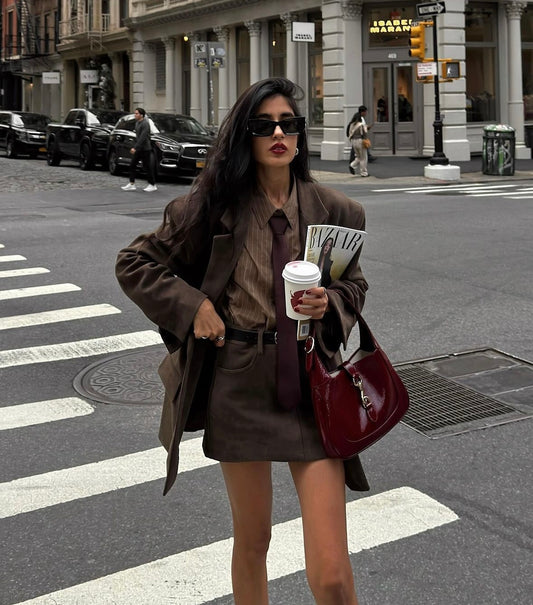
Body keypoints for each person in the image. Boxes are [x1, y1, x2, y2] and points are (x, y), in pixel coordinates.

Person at [115, 77, 369, 604]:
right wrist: (195, 307)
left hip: (311, 382)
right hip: (240, 377)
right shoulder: (209, 209)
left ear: (299, 134)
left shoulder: (336, 211)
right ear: (244, 136)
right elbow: (134, 263)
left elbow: (354, 284)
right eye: (263, 125)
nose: (278, 132)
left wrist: (333, 302)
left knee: (332, 575)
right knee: (254, 540)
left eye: (288, 124)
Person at [121, 107, 157, 192]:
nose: (135, 115)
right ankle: (131, 183)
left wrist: (135, 147)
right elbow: (137, 137)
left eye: (136, 113)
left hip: (145, 149)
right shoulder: (137, 123)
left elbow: (143, 137)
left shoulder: (145, 123)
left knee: (147, 167)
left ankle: (152, 184)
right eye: (135, 113)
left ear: (141, 115)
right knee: (132, 165)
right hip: (139, 148)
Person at [347, 105, 370, 177]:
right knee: (363, 157)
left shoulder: (352, 124)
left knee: (358, 157)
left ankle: (352, 165)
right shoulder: (360, 124)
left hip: (354, 141)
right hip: (360, 141)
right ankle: (364, 172)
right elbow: (364, 133)